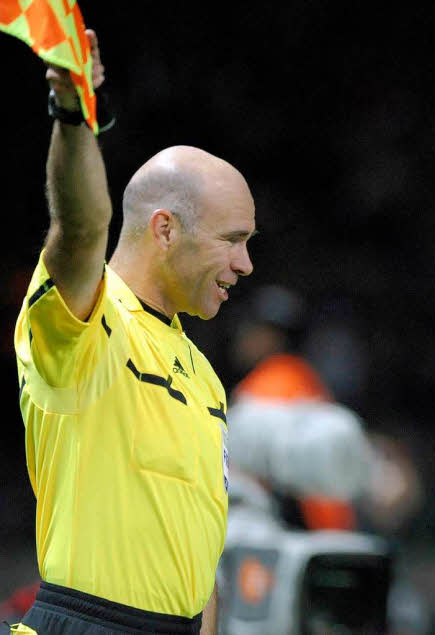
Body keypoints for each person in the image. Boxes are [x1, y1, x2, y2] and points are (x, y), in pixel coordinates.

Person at [12, 30, 255, 635]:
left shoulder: (203, 378)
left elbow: (198, 555)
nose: (246, 265)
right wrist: (73, 115)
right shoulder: (88, 323)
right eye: (233, 241)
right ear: (165, 229)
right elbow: (80, 228)